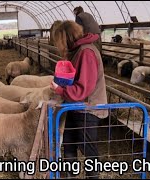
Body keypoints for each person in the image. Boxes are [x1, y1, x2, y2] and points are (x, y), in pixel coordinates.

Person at [50, 20, 109, 179]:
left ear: (65, 38)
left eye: (59, 41)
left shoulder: (86, 52)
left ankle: (93, 177)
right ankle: (70, 175)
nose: (59, 45)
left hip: (88, 109)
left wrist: (60, 89)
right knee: (68, 144)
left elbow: (83, 88)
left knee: (89, 149)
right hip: (75, 107)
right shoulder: (77, 50)